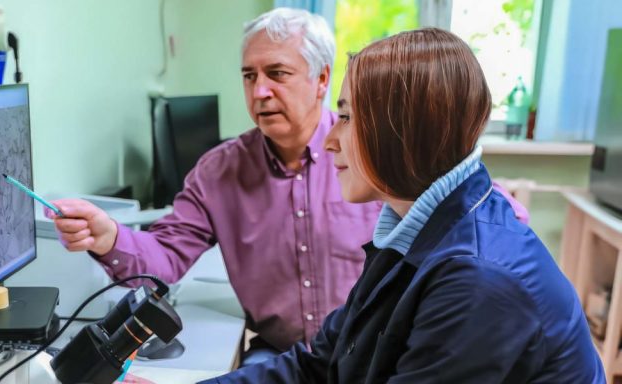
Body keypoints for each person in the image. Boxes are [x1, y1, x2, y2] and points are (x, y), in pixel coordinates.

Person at [46, 9, 528, 364]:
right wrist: (109, 237)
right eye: (249, 76)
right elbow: (167, 258)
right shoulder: (219, 172)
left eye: (277, 74)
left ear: (321, 80)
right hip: (285, 353)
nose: (260, 92)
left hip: (376, 353)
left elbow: (487, 224)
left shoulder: (373, 155)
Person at [200, 28, 604, 383]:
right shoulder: (408, 228)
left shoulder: (477, 278)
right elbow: (320, 366)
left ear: (401, 131)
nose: (329, 140)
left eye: (345, 117)